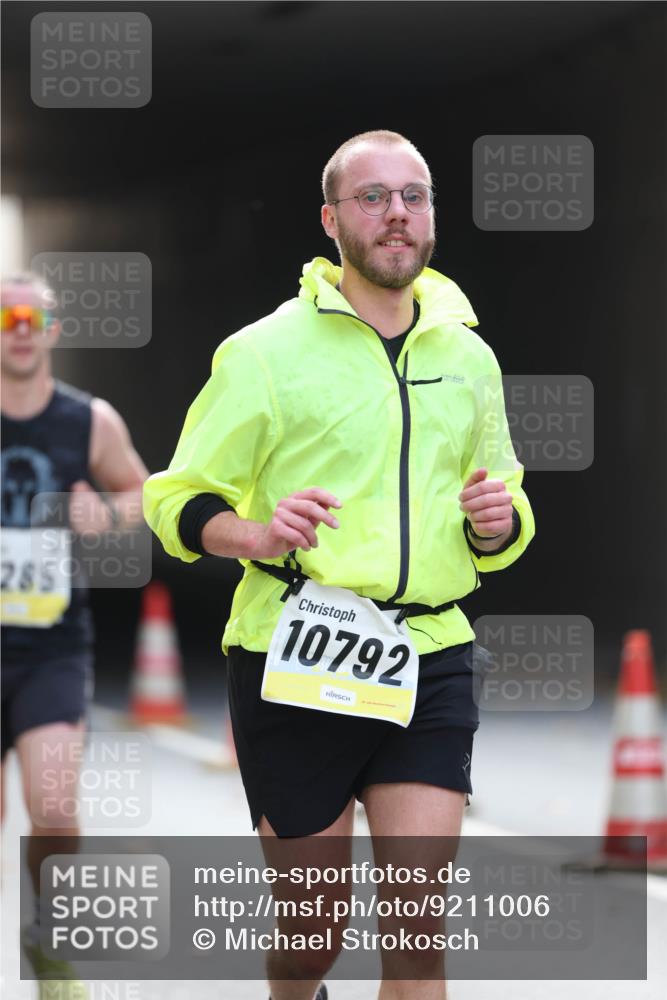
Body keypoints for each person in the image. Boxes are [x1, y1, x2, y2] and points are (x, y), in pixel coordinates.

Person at [143, 130, 535, 1000]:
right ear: (330, 220)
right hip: (297, 656)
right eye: (372, 197)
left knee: (417, 937)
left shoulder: (468, 356)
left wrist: (497, 522)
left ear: (430, 215)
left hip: (428, 656)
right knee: (312, 937)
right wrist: (255, 535)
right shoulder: (263, 353)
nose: (396, 213)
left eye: (413, 196)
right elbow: (174, 499)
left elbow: (502, 500)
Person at [1, 271, 149, 998]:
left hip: (51, 649)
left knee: (54, 810)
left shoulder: (90, 420)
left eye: (35, 318)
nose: (22, 329)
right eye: (8, 318)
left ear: (55, 329)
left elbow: (146, 493)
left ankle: (50, 939)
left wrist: (108, 515)